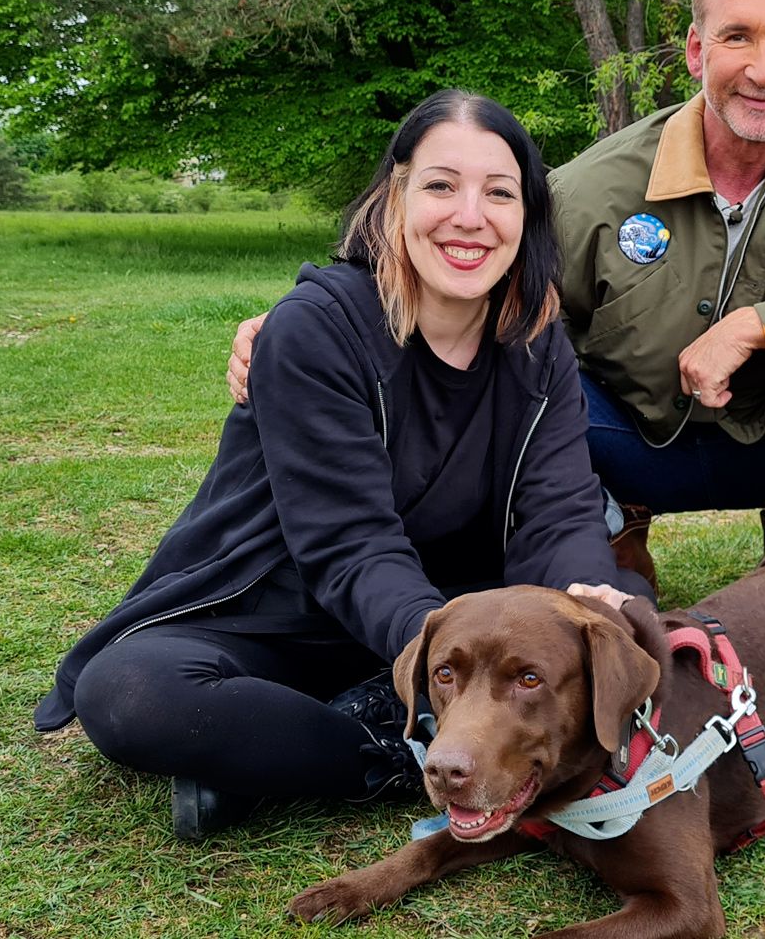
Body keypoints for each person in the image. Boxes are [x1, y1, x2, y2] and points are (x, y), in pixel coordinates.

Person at [233, 0, 765, 577]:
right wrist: (319, 322)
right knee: (523, 380)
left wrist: (762, 328)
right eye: (738, 37)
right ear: (696, 51)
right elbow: (472, 262)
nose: (764, 69)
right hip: (622, 441)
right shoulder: (592, 186)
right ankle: (608, 527)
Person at [33, 90, 652, 839]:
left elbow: (558, 509)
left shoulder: (535, 335)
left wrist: (582, 599)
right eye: (441, 186)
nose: (470, 216)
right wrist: (432, 652)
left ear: (528, 216)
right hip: (292, 609)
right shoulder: (316, 330)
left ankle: (295, 755)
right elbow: (349, 546)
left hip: (457, 612)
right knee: (132, 693)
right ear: (394, 197)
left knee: (627, 614)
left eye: (499, 193)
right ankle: (388, 752)